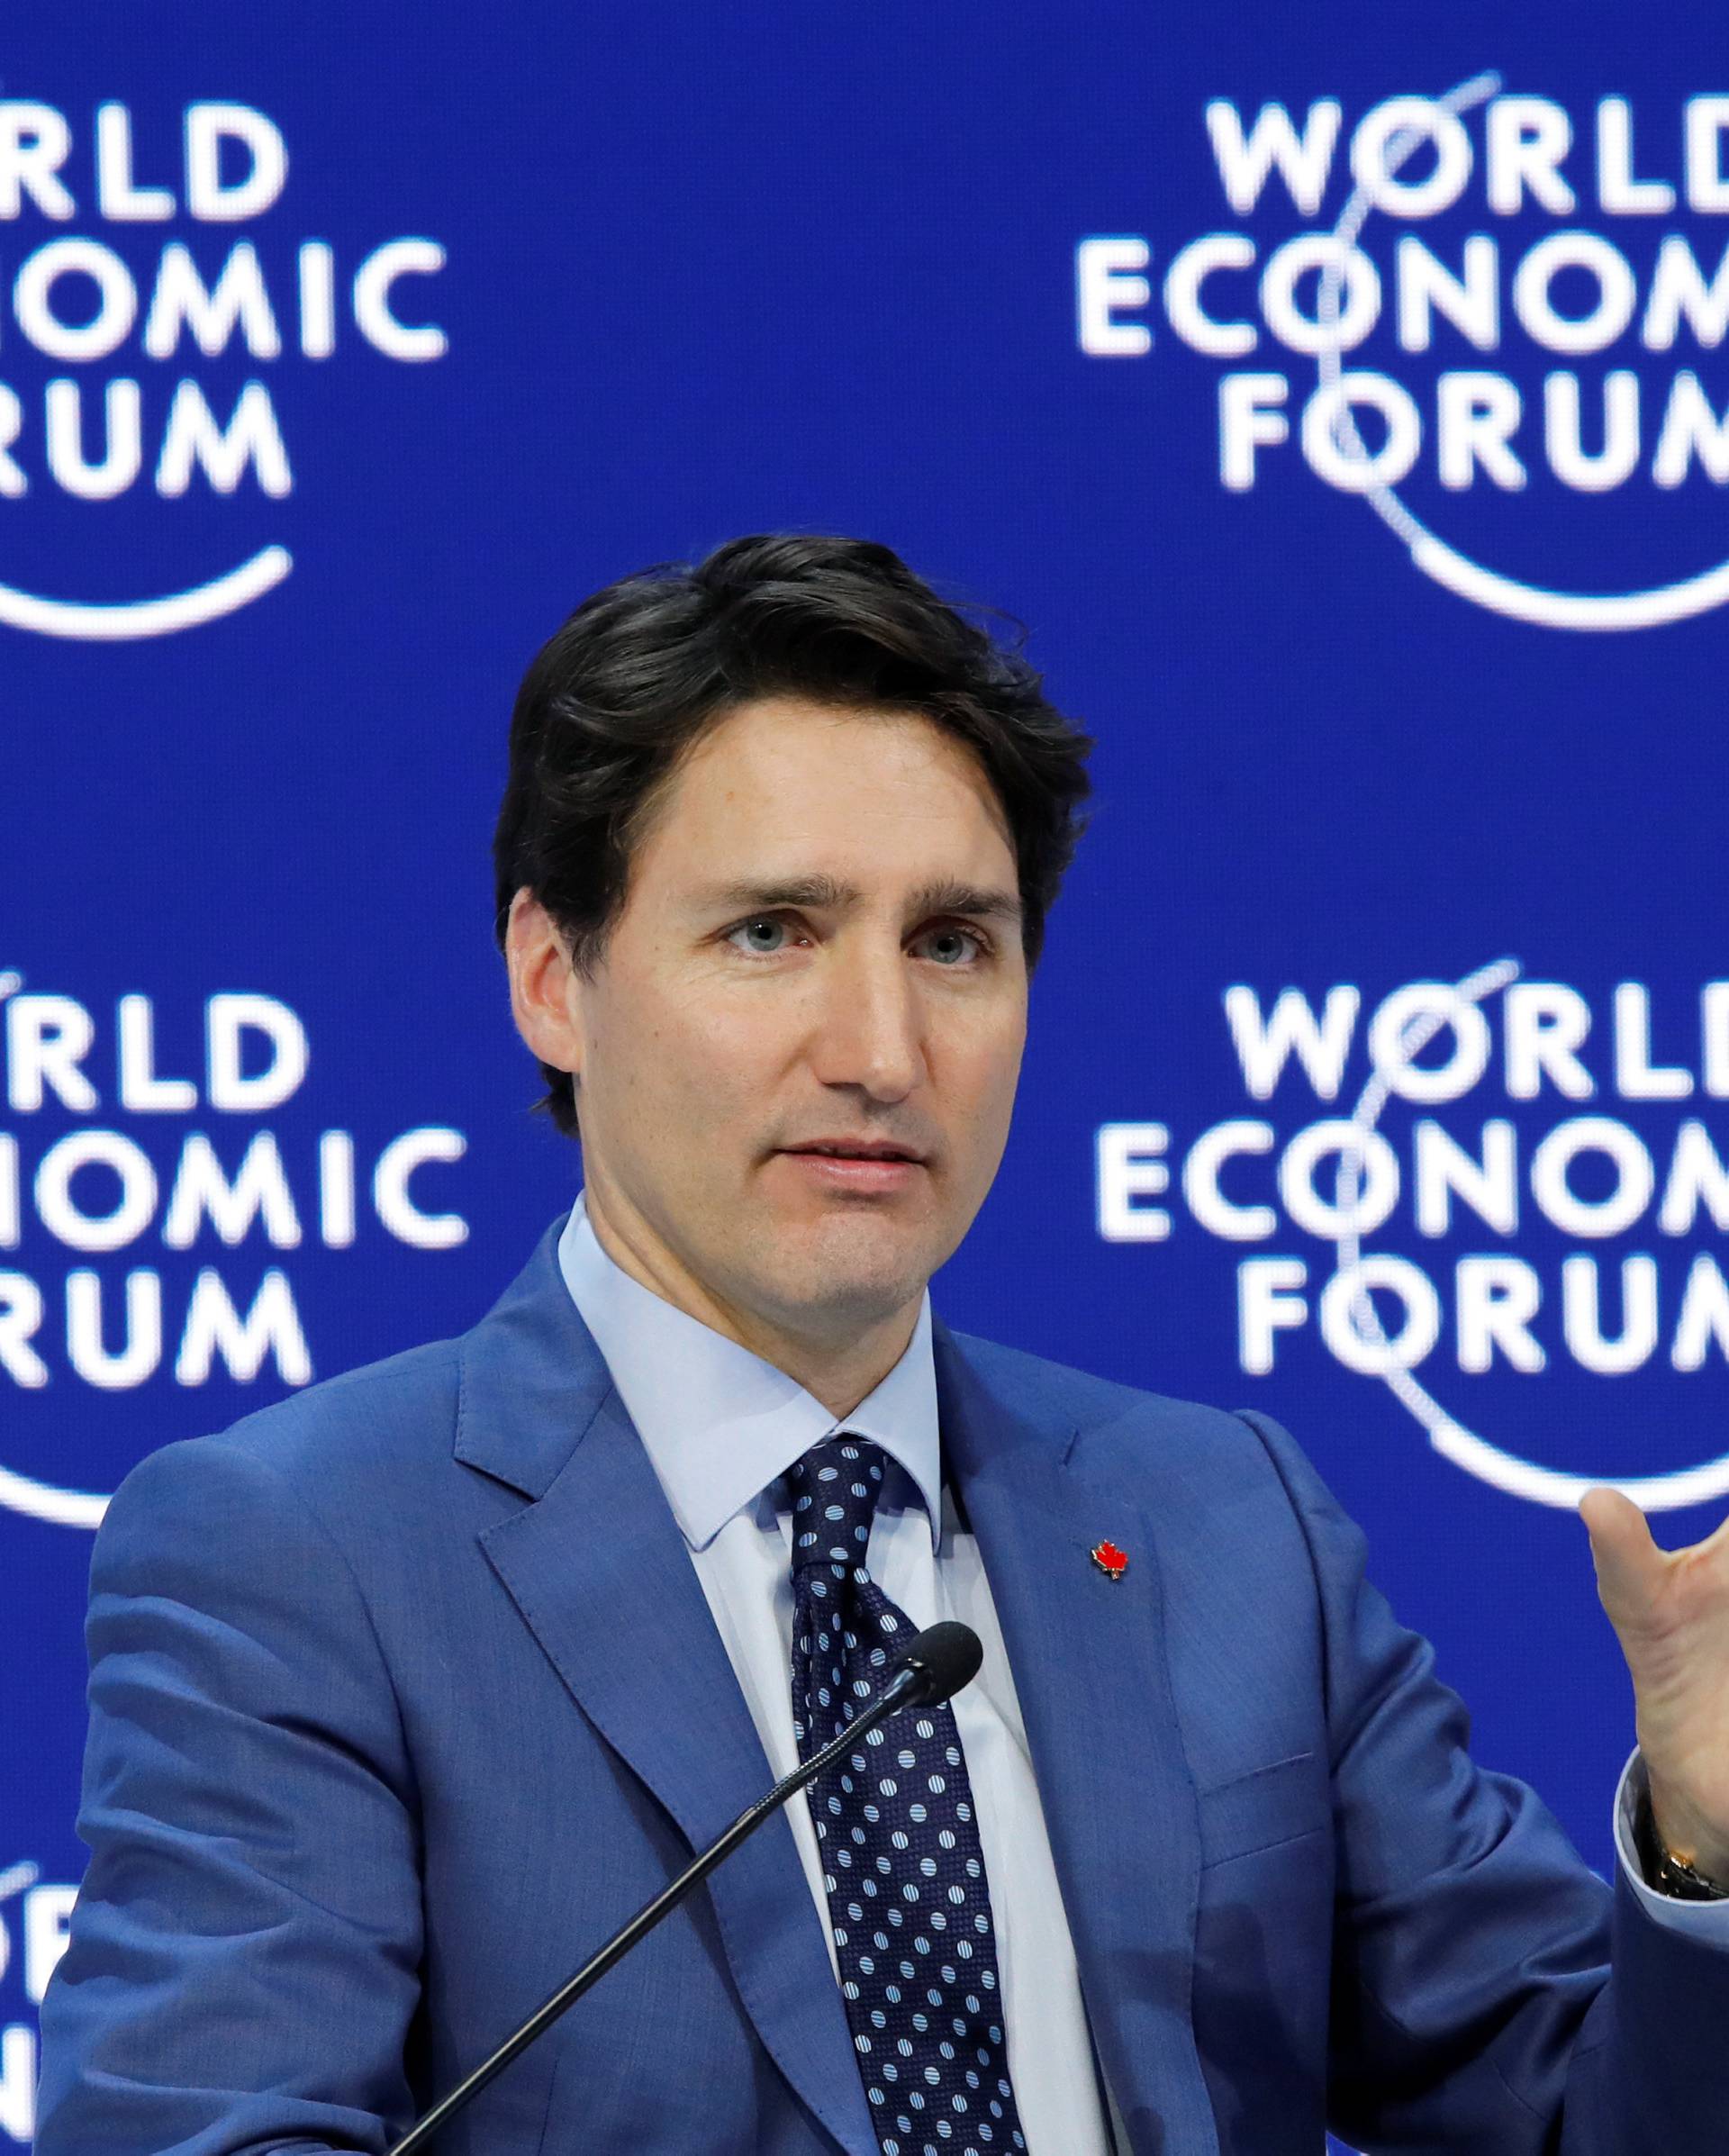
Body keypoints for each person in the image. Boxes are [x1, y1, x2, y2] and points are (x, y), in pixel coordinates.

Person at [34, 534, 1729, 2155]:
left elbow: (1586, 2115)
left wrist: (1706, 1852)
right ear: (556, 979)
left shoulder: (1228, 1519)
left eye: (952, 944)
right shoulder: (308, 1551)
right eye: (770, 932)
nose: (881, 1047)